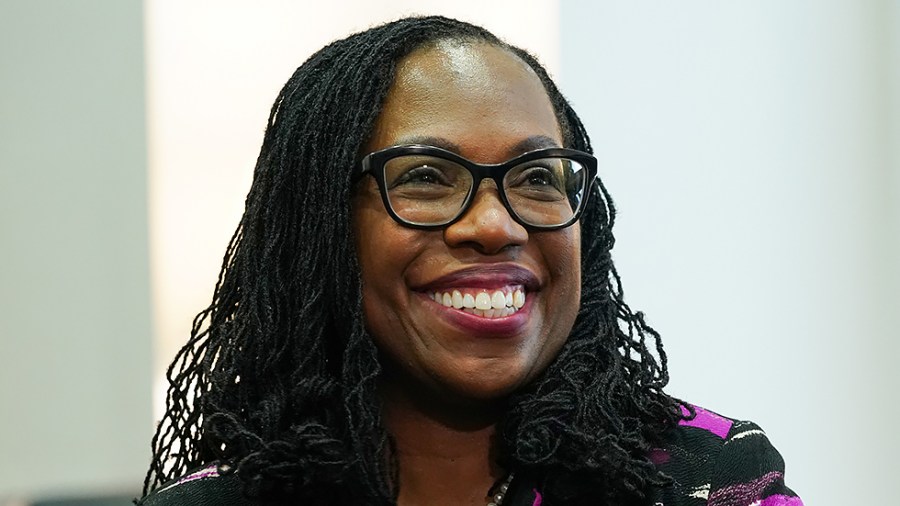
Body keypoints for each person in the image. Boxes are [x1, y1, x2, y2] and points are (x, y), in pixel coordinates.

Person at [138, 16, 802, 506]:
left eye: (538, 177)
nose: (495, 224)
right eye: (427, 175)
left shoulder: (708, 480)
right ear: (321, 229)